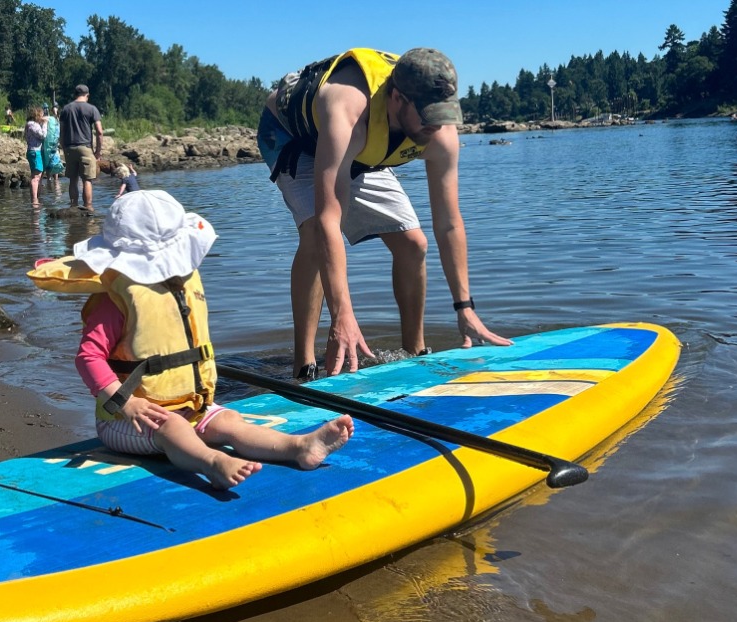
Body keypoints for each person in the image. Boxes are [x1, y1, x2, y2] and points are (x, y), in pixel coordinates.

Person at [72, 190, 355, 490]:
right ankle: (212, 462)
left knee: (230, 420)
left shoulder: (179, 286)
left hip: (190, 406)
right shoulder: (115, 301)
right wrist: (126, 404)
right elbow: (88, 357)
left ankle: (299, 446)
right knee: (173, 427)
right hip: (127, 421)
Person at [259, 47, 511, 379]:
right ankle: (304, 367)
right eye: (427, 114)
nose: (436, 125)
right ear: (396, 98)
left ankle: (415, 352)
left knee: (413, 244)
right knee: (313, 234)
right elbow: (328, 223)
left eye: (443, 113)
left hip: (363, 147)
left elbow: (449, 223)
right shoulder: (347, 108)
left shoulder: (439, 131)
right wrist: (342, 315)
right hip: (293, 135)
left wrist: (465, 308)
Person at [58, 84, 104, 210]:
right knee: (87, 180)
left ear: (75, 94)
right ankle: (88, 208)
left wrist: (64, 147)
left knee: (73, 180)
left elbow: (61, 132)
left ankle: (73, 207)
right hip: (85, 148)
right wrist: (98, 152)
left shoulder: (66, 109)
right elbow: (99, 132)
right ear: (87, 95)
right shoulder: (92, 109)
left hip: (69, 148)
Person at [23, 106, 47, 206]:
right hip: (35, 152)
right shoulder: (33, 125)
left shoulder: (29, 124)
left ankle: (34, 198)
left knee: (35, 176)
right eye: (41, 114)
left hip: (32, 151)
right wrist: (45, 124)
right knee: (36, 177)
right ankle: (34, 200)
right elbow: (42, 135)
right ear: (37, 115)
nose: (43, 116)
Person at [41, 104, 63, 188]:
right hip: (49, 146)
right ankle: (52, 189)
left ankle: (54, 191)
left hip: (52, 146)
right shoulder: (51, 119)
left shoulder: (54, 119)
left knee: (53, 171)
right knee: (50, 170)